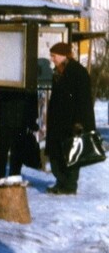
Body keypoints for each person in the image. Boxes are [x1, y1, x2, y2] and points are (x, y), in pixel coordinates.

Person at [45, 42, 95, 195]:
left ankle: (69, 186)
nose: (52, 59)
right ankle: (61, 182)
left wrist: (80, 123)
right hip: (58, 122)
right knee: (57, 154)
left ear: (63, 55)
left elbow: (84, 100)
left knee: (72, 154)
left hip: (73, 122)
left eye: (54, 56)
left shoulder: (77, 72)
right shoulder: (59, 71)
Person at [0, 89, 39, 181]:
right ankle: (14, 173)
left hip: (5, 109)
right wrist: (32, 117)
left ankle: (2, 174)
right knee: (17, 145)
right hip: (21, 110)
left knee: (3, 145)